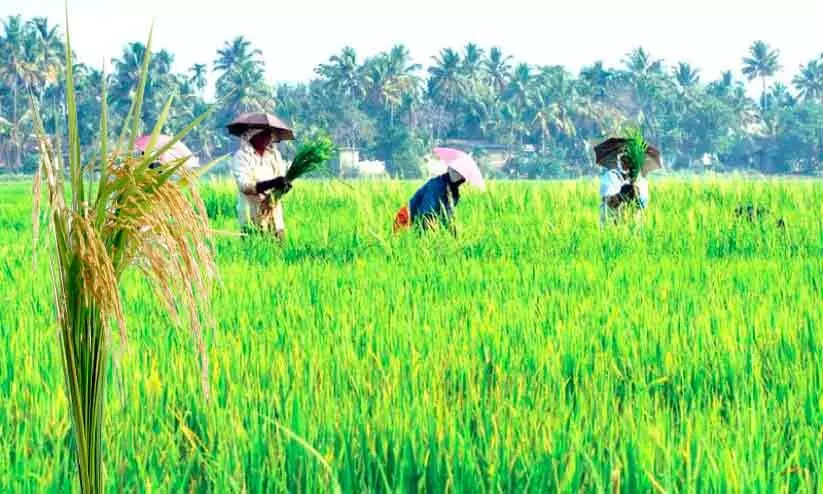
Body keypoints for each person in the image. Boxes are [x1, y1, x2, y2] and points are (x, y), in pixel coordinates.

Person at [231, 128, 293, 240]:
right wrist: (272, 183)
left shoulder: (274, 155)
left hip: (273, 209)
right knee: (253, 248)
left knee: (278, 246)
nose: (268, 138)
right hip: (251, 210)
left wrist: (283, 186)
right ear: (254, 135)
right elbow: (244, 186)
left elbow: (281, 177)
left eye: (270, 135)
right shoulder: (241, 156)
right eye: (264, 134)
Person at [405, 166, 467, 234]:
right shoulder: (436, 186)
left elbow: (447, 218)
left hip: (420, 226)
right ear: (448, 168)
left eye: (460, 171)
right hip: (406, 224)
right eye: (454, 169)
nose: (456, 172)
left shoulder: (453, 191)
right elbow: (426, 214)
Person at [599, 154, 649, 227]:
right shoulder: (611, 176)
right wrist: (622, 194)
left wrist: (636, 193)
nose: (626, 163)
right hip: (611, 224)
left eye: (629, 160)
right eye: (623, 160)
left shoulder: (641, 181)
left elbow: (643, 204)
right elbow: (608, 200)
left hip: (632, 225)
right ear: (618, 160)